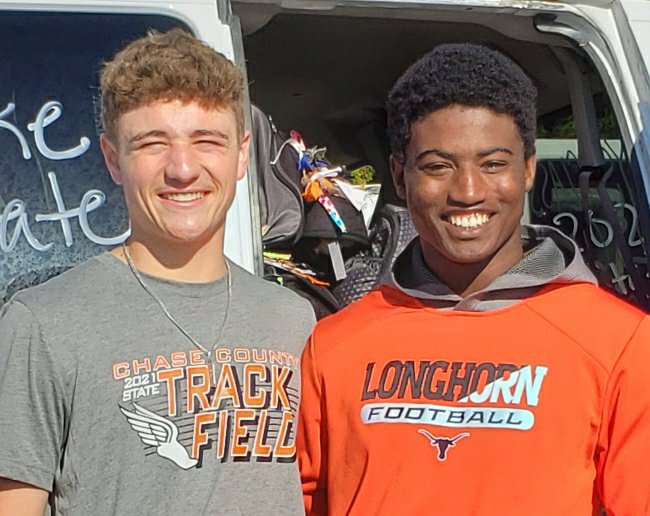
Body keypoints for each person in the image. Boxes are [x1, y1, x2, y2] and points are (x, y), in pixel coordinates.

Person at [297, 43, 650, 515]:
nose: (467, 192)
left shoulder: (621, 344)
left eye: (493, 164)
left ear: (528, 169)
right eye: (438, 166)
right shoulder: (332, 346)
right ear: (400, 177)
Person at [0, 28, 314, 515]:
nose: (182, 169)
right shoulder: (42, 323)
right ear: (112, 160)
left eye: (207, 141)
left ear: (241, 155)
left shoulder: (294, 320)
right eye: (152, 144)